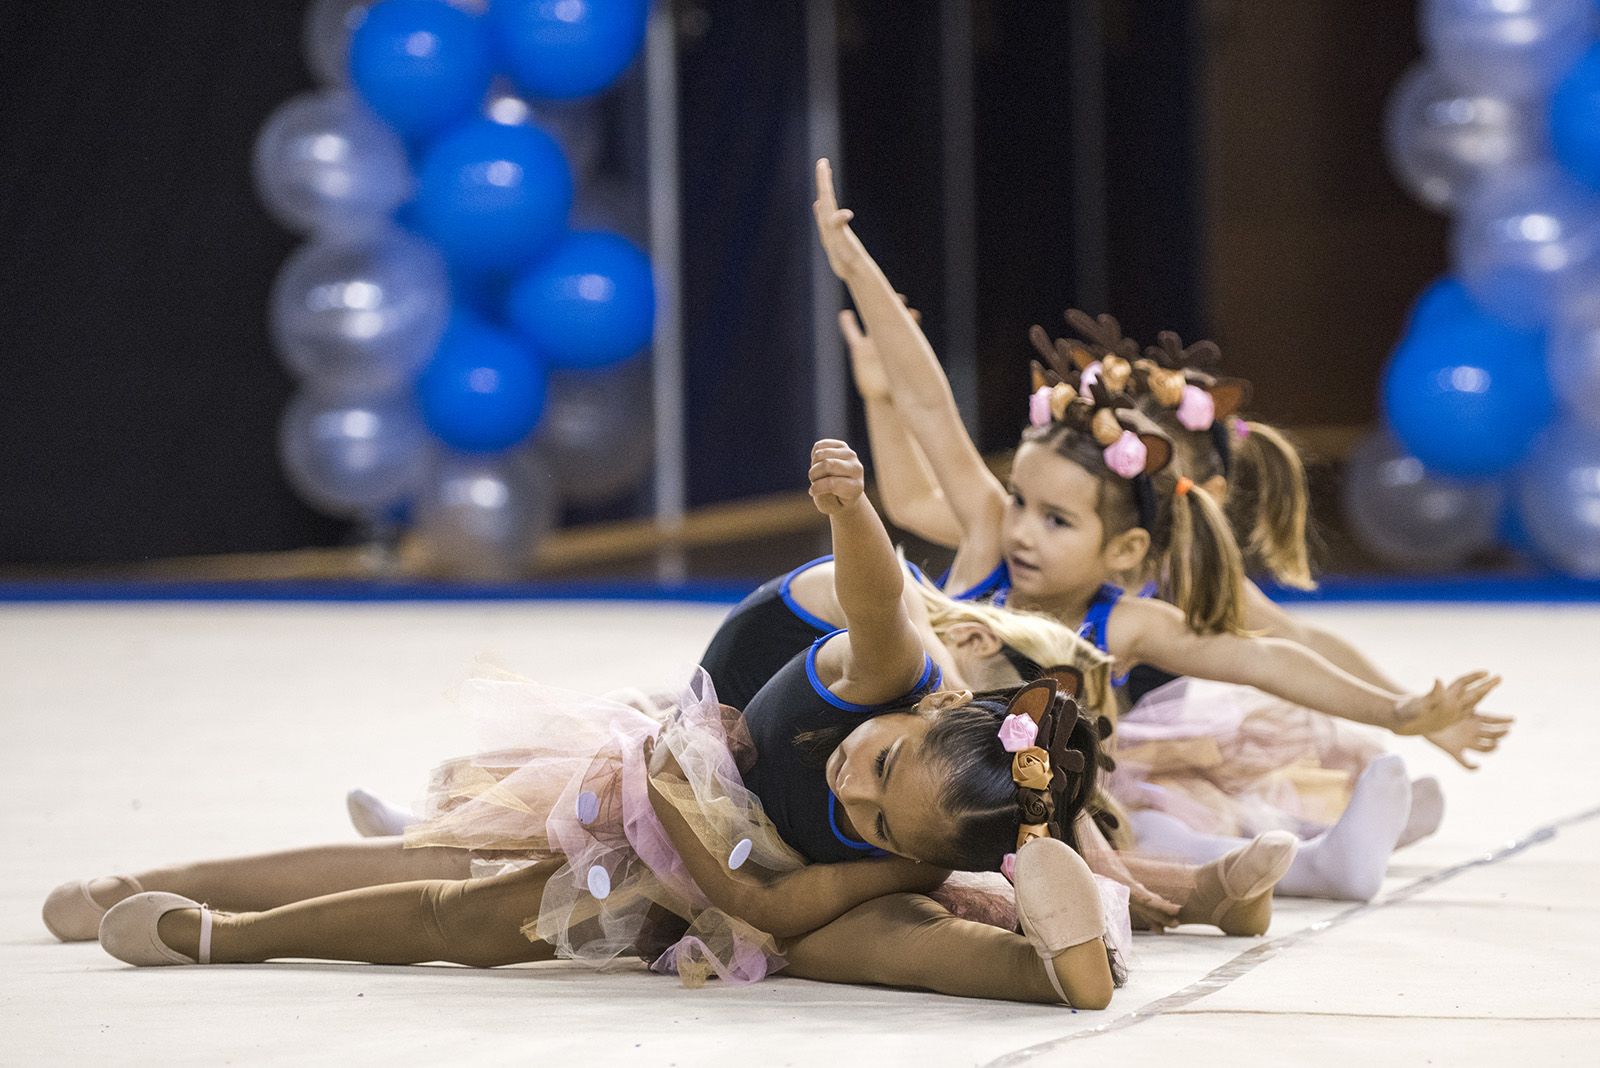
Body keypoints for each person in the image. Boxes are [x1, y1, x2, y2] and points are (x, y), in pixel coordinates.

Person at [50, 440, 1148, 1008]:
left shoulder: (916, 849)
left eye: (879, 818)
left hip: (751, 893)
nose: (854, 787)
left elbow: (773, 904)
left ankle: (1056, 969)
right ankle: (184, 891)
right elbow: (878, 600)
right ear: (935, 703)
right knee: (451, 881)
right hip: (666, 809)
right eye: (882, 762)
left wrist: (903, 867)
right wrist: (850, 511)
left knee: (907, 948)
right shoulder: (894, 671)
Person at [810, 158, 1506, 900]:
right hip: (947, 793)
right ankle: (1322, 836)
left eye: (1057, 520)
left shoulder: (1130, 622)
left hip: (1082, 807)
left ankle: (1320, 856)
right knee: (1150, 807)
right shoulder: (988, 545)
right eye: (1020, 502)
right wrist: (857, 271)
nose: (1023, 532)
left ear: (1128, 549)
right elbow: (931, 406)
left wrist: (1399, 710)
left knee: (1144, 818)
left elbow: (1270, 659)